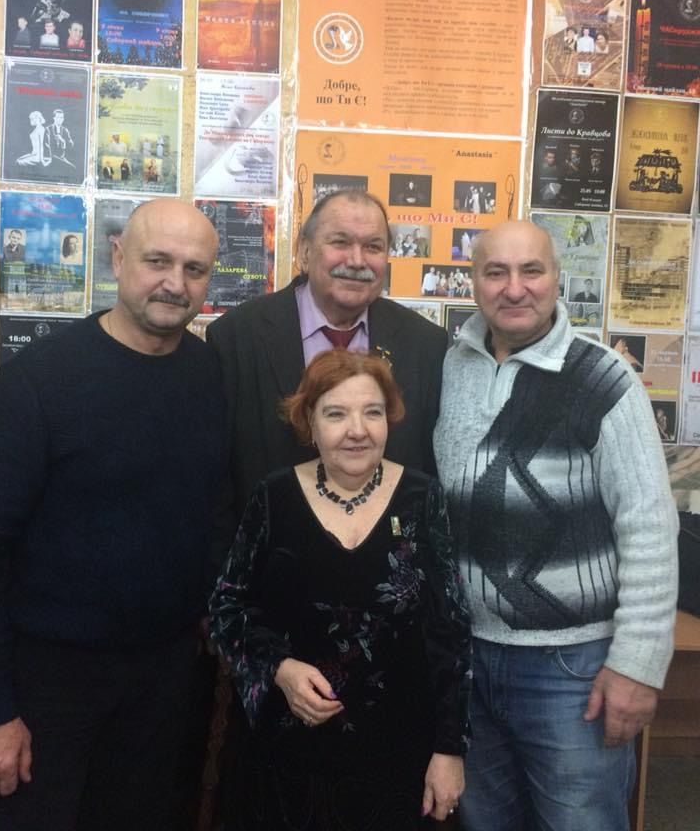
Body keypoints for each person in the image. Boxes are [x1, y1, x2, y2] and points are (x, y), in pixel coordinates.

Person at [0, 199, 228, 831]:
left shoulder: (209, 376)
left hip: (164, 681)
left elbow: (204, 510)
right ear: (117, 259)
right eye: (157, 261)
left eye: (194, 269)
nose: (175, 283)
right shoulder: (36, 384)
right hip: (45, 685)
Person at [433, 220, 678, 831]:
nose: (515, 288)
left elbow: (649, 526)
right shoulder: (451, 366)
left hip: (572, 670)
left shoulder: (603, 377)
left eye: (531, 271)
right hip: (469, 662)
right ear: (473, 282)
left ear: (557, 279)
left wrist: (638, 665)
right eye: (496, 272)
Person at [209, 348, 471, 830]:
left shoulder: (421, 497)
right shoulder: (274, 497)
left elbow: (449, 630)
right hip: (288, 755)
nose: (357, 430)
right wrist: (279, 668)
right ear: (309, 421)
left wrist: (449, 749)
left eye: (372, 412)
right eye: (336, 414)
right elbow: (227, 606)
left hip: (399, 756)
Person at [206, 189, 448, 555]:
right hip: (271, 565)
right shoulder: (237, 336)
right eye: (340, 242)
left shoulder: (425, 344)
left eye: (373, 247)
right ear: (304, 252)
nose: (357, 260)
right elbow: (217, 477)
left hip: (385, 568)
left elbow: (426, 471)